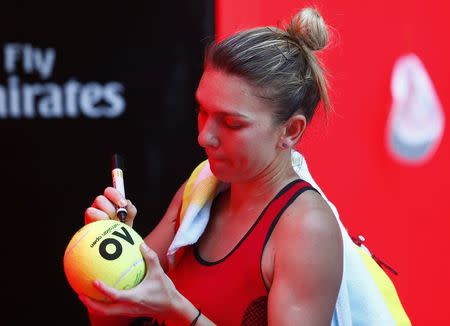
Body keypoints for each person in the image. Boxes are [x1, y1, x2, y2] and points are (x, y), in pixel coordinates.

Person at [80, 7, 344, 325]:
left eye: (231, 123)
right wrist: (109, 252)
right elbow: (111, 318)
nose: (205, 136)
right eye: (202, 111)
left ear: (290, 131)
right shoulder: (201, 188)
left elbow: (167, 306)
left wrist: (178, 310)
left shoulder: (307, 229)